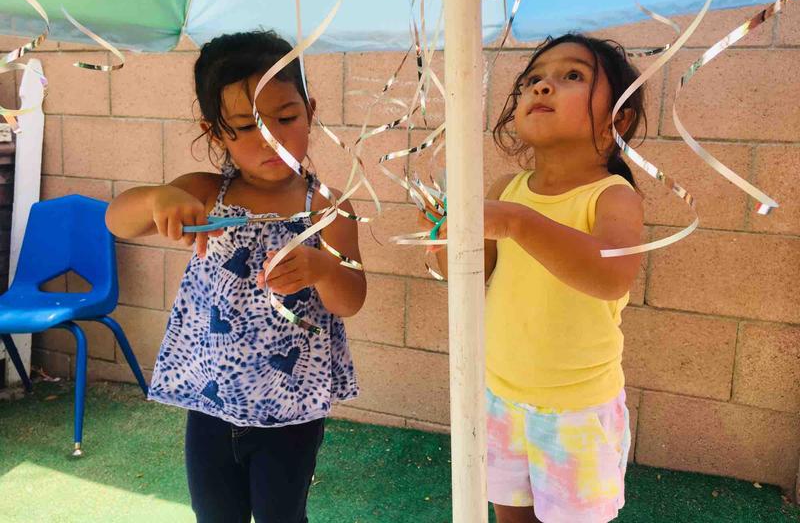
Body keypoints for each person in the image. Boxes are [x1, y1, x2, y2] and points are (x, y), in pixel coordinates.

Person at [106, 30, 365, 523]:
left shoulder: (329, 206)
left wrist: (324, 270)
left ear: (310, 110)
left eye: (285, 118)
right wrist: (157, 198)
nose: (269, 138)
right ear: (214, 133)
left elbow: (350, 299)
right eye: (245, 126)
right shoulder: (203, 194)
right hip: (210, 401)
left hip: (293, 408)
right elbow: (118, 219)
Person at [425, 34, 646, 523]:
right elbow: (464, 275)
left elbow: (611, 275)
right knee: (510, 516)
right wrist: (443, 234)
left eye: (572, 76)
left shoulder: (612, 197)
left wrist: (516, 222)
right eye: (532, 79)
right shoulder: (508, 189)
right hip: (500, 397)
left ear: (619, 119)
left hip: (577, 414)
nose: (543, 87)